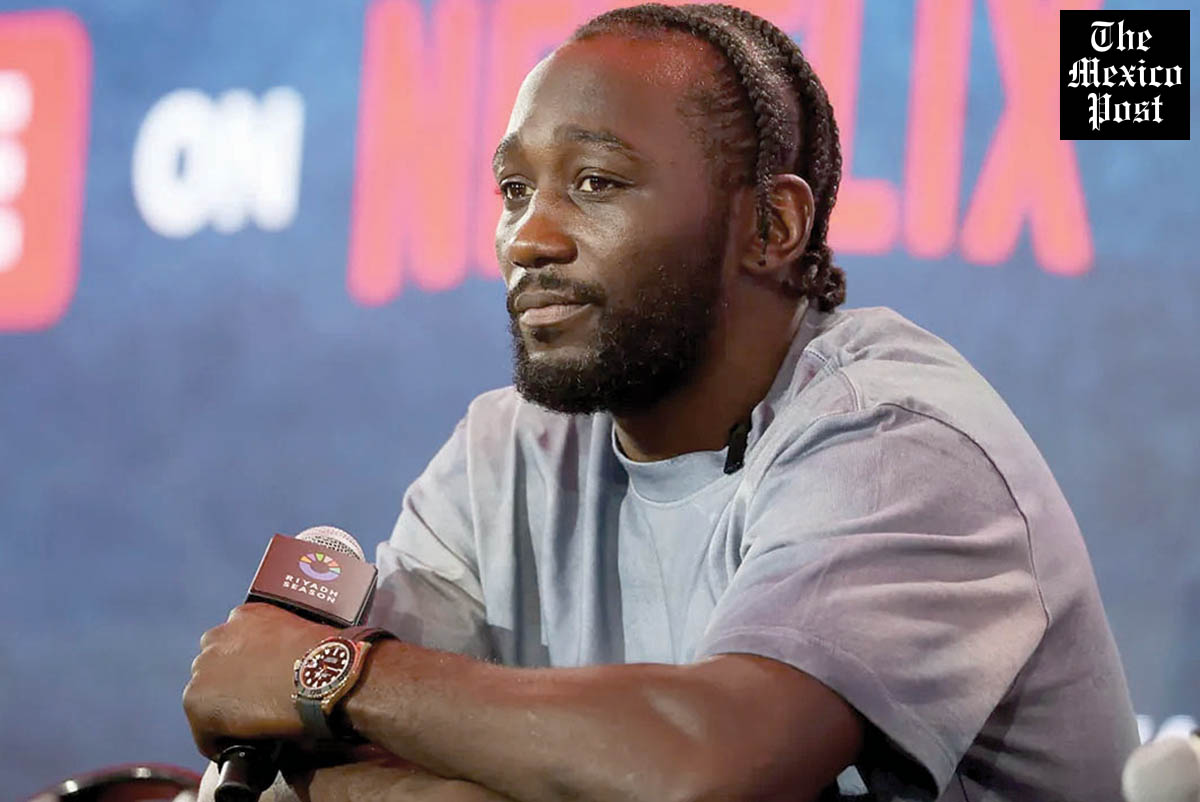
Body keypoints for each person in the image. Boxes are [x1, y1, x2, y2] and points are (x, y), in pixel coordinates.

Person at [184, 4, 1140, 800]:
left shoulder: (895, 438)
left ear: (770, 225)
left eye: (595, 183)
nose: (529, 239)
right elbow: (320, 759)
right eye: (514, 189)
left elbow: (706, 767)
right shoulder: (506, 450)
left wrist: (335, 675)